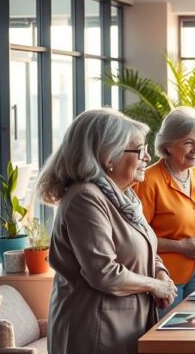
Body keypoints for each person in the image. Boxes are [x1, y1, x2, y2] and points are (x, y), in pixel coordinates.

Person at [39, 108, 176, 354]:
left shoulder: (125, 197)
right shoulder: (85, 198)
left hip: (126, 325)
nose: (147, 157)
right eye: (139, 150)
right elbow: (104, 272)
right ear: (108, 157)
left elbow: (145, 247)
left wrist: (161, 274)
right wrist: (154, 285)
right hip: (94, 330)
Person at [135, 107, 195, 315]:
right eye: (188, 142)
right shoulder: (149, 180)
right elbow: (138, 236)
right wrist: (179, 246)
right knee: (171, 342)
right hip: (165, 280)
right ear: (168, 145)